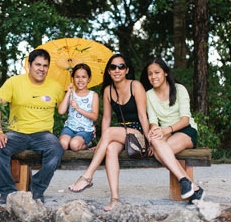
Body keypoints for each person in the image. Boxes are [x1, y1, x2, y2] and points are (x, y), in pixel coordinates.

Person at [68, 54, 149, 211]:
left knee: (111, 132)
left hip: (138, 132)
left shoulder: (136, 86)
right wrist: (102, 144)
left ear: (126, 70)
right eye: (113, 67)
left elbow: (142, 115)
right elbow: (105, 119)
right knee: (110, 148)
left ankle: (87, 176)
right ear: (109, 72)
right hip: (120, 133)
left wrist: (149, 140)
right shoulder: (107, 91)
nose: (117, 70)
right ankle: (115, 199)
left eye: (121, 67)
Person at [0, 49, 64, 204]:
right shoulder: (14, 82)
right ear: (29, 65)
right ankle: (8, 193)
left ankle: (37, 189)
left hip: (43, 135)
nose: (41, 69)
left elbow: (66, 110)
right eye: (37, 64)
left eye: (45, 65)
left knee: (56, 149)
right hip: (16, 133)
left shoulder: (56, 87)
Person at [140, 58, 205, 204]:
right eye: (150, 74)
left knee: (159, 152)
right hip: (165, 132)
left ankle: (187, 183)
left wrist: (164, 131)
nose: (153, 77)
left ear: (165, 73)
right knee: (156, 144)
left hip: (185, 130)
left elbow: (185, 120)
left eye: (157, 72)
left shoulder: (179, 89)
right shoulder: (149, 94)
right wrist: (155, 131)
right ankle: (191, 185)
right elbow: (153, 121)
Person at [58, 63, 99, 151]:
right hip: (70, 128)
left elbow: (95, 117)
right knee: (63, 144)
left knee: (74, 144)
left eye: (83, 77)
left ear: (89, 79)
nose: (80, 80)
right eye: (77, 77)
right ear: (73, 78)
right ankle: (72, 143)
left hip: (85, 129)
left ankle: (87, 143)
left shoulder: (93, 95)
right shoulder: (71, 94)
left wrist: (78, 108)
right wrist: (68, 92)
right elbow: (61, 111)